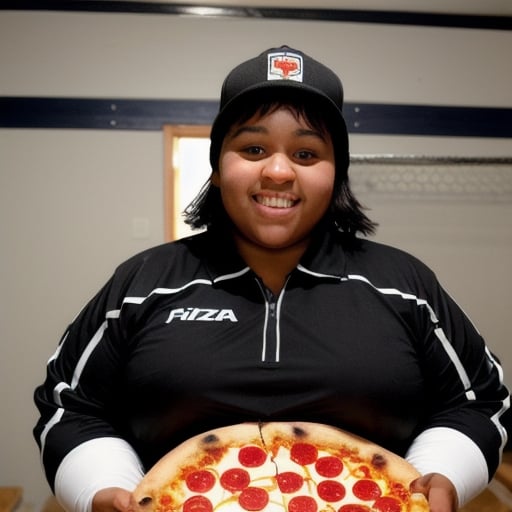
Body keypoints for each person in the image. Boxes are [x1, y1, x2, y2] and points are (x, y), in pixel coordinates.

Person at [34, 45, 509, 512]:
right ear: (218, 167)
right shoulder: (144, 280)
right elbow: (69, 407)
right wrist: (103, 488)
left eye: (306, 153)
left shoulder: (404, 282)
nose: (278, 171)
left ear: (336, 173)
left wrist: (438, 478)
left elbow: (480, 400)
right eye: (253, 148)